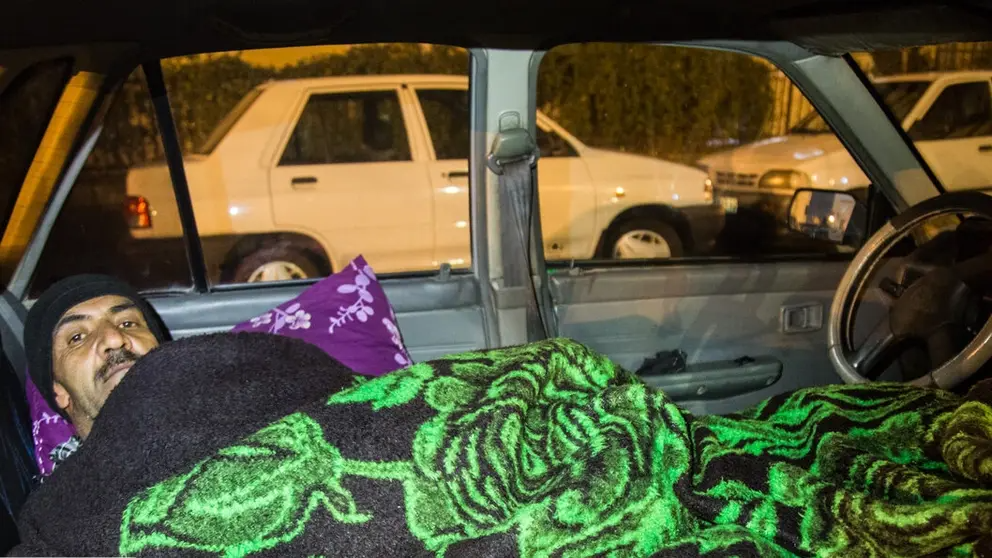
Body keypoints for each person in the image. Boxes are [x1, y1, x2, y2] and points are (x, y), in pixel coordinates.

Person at [23, 274, 167, 467]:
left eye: (127, 323)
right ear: (59, 391)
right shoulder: (66, 495)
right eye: (77, 337)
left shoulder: (218, 416)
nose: (114, 339)